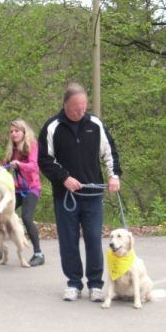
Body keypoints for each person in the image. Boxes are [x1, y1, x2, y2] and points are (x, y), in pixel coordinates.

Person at [38, 83, 121, 301]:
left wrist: (114, 176)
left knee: (94, 238)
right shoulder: (52, 127)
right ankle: (73, 282)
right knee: (68, 239)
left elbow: (109, 152)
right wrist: (64, 177)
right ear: (65, 105)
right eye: (76, 108)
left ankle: (95, 284)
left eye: (84, 106)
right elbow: (45, 160)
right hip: (65, 196)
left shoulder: (95, 124)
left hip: (92, 195)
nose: (81, 111)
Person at [0, 119, 45, 267]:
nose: (13, 134)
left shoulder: (32, 145)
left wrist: (19, 165)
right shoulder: (12, 149)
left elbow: (34, 167)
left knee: (27, 217)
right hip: (15, 189)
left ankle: (38, 253)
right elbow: (4, 165)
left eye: (16, 131)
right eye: (11, 132)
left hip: (31, 188)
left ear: (24, 132)